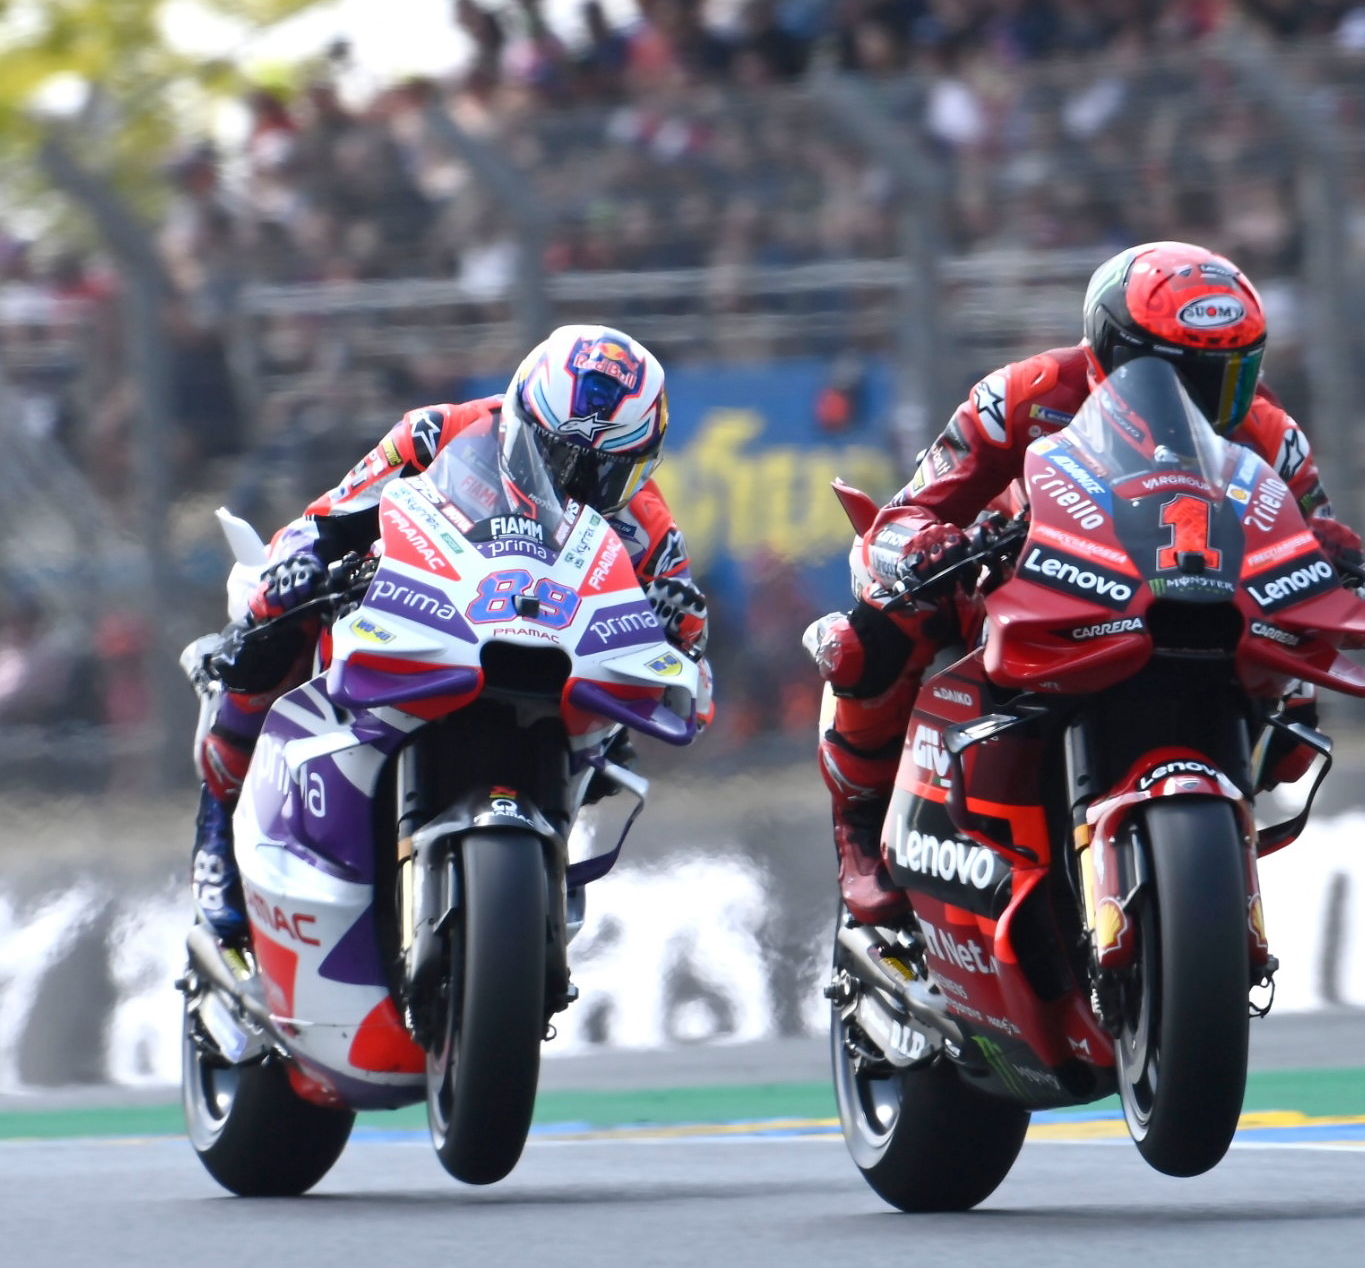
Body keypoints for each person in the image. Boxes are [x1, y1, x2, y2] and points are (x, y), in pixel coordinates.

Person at [811, 240, 1364, 925]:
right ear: (1112, 348)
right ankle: (858, 828)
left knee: (1293, 728)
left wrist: (1337, 555)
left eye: (1226, 374)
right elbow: (904, 515)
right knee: (871, 630)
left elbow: (1314, 541)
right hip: (1022, 590)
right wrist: (924, 546)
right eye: (1180, 374)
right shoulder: (1022, 394)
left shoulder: (1269, 435)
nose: (1204, 399)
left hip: (1195, 606)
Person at [192, 324, 710, 943]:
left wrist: (675, 619)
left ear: (641, 464)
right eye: (554, 456)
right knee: (273, 631)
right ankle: (217, 828)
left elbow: (691, 652)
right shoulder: (436, 432)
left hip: (549, 666)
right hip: (417, 622)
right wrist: (298, 565)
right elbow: (325, 517)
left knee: (615, 744)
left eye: (604, 472)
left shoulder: (647, 522)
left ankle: (538, 873)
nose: (571, 484)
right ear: (521, 413)